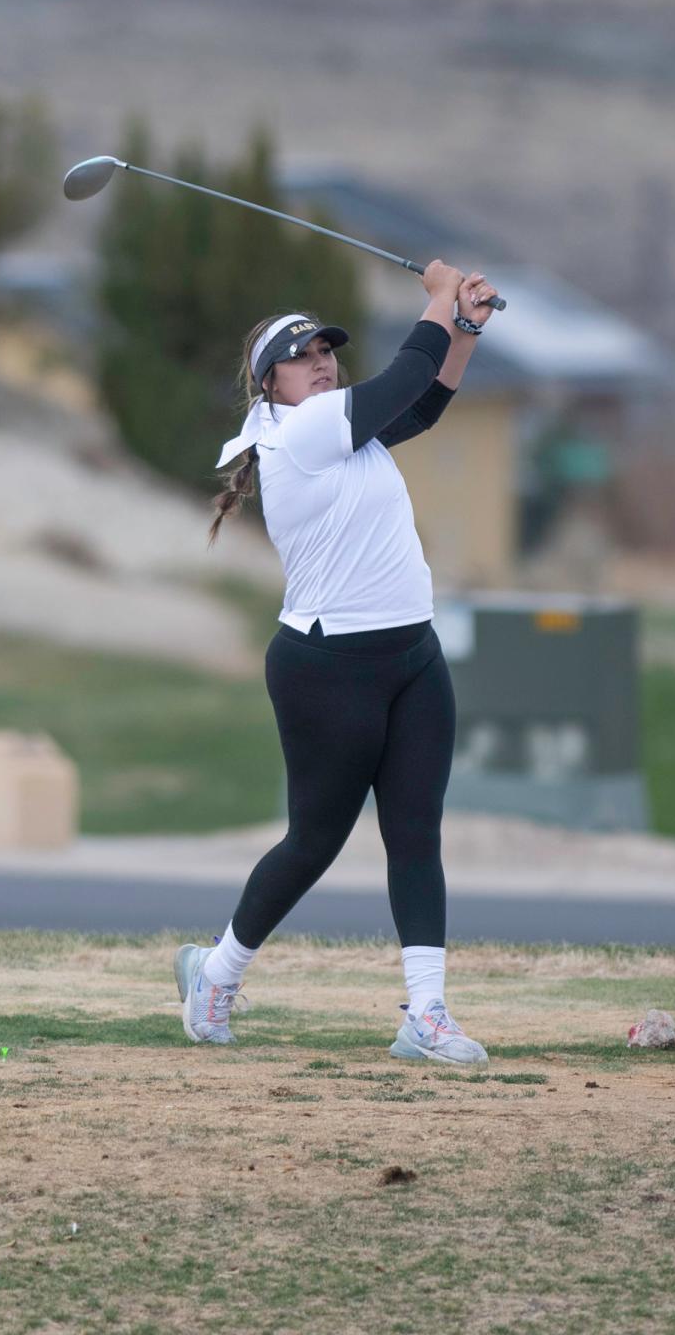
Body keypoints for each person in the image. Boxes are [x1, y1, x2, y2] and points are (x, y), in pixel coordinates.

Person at [175, 259, 500, 1064]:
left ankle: (425, 1015)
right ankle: (216, 974)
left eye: (324, 350)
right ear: (269, 387)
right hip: (328, 668)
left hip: (412, 653)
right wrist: (436, 303)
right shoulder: (305, 434)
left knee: (416, 833)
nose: (319, 361)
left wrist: (464, 324)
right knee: (314, 841)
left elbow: (423, 404)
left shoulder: (342, 427)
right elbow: (408, 373)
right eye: (299, 355)